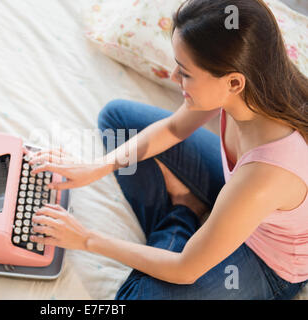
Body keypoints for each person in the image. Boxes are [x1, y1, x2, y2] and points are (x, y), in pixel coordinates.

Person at [26, 0, 308, 299]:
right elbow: (175, 129)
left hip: (268, 261)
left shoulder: (267, 173)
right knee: (118, 120)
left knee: (137, 297)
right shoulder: (252, 81)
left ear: (233, 82)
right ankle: (187, 211)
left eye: (185, 72)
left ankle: (179, 216)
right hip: (237, 192)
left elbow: (185, 269)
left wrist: (85, 239)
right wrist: (97, 167)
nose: (175, 77)